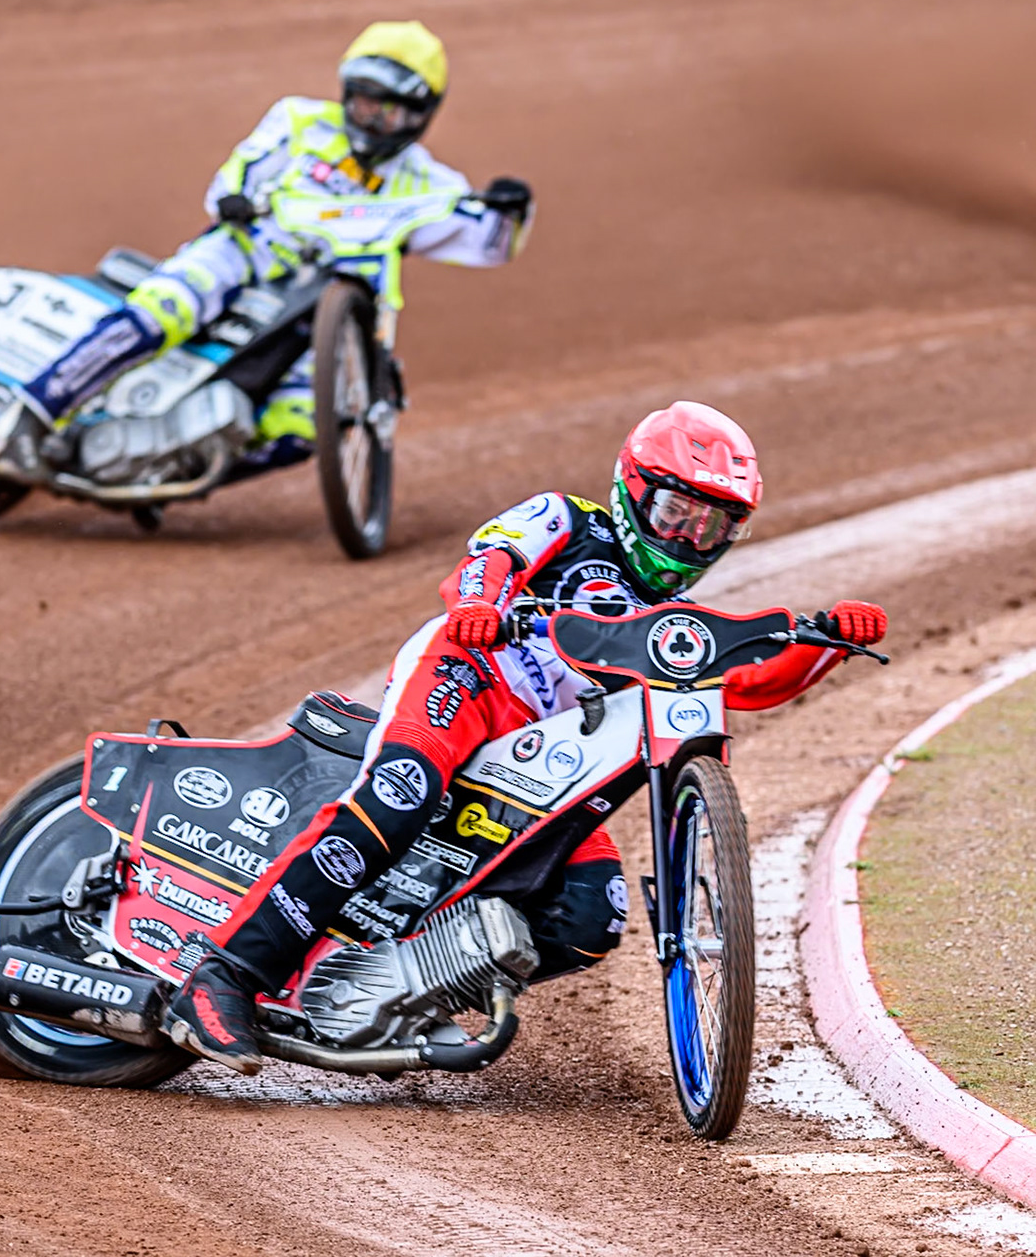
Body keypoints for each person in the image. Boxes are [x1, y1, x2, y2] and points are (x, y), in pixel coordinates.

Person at [161, 400, 891, 1073]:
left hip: (544, 753)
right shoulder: (566, 518)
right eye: (675, 513)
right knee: (397, 796)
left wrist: (830, 640)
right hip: (469, 678)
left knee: (593, 911)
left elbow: (748, 683)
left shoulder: (674, 624)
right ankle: (224, 976)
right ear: (632, 490)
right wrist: (479, 604)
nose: (687, 538)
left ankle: (395, 984)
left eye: (711, 527)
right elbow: (491, 557)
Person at [3, 20, 533, 477]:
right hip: (245, 254)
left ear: (422, 115)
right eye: (366, 103)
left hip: (323, 319)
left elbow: (489, 241)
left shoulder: (430, 182)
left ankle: (170, 467)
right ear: (346, 92)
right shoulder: (299, 121)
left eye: (391, 112)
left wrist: (512, 209)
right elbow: (239, 172)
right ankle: (28, 419)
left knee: (302, 424)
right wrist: (233, 198)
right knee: (165, 309)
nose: (373, 121)